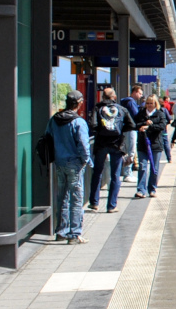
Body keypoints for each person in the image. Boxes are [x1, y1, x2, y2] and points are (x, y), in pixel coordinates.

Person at [46, 89, 92, 242]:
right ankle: (74, 233)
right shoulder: (78, 121)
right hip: (75, 164)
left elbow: (48, 138)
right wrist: (86, 161)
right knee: (76, 198)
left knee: (62, 197)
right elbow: (84, 146)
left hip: (59, 162)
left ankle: (61, 231)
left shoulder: (54, 120)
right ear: (79, 103)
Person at [86, 86, 134, 213]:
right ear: (114, 97)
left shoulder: (97, 108)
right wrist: (120, 132)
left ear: (103, 97)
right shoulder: (121, 109)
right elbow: (132, 125)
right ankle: (112, 205)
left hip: (101, 144)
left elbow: (93, 124)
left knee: (97, 173)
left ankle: (94, 203)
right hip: (117, 145)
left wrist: (101, 133)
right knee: (115, 175)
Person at [134, 95, 165, 198]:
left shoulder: (160, 114)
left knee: (154, 168)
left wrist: (150, 126)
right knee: (142, 167)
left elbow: (162, 126)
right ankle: (141, 190)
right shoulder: (141, 113)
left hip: (155, 145)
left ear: (155, 104)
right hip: (143, 145)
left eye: (151, 103)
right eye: (147, 103)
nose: (149, 105)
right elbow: (135, 124)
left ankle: (152, 188)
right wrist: (142, 125)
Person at [121, 84, 144, 183]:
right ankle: (127, 173)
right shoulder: (130, 102)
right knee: (130, 151)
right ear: (134, 92)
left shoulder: (126, 101)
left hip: (126, 129)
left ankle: (127, 172)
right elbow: (136, 115)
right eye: (139, 93)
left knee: (128, 151)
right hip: (131, 129)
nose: (140, 95)